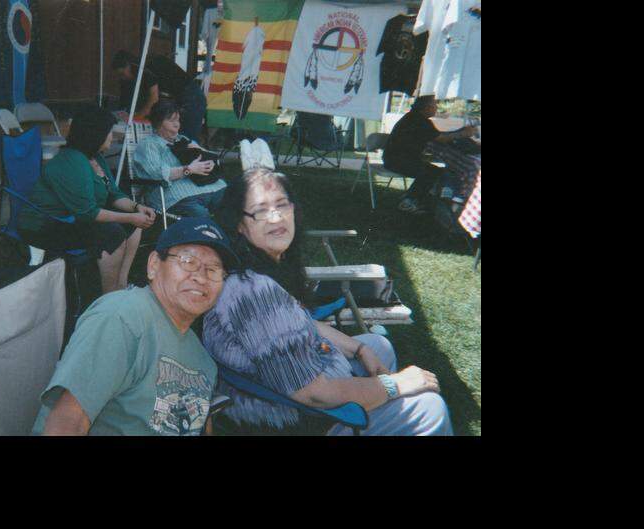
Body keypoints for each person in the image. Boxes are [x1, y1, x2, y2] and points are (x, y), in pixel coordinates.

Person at [203, 167, 453, 436]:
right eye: (261, 210)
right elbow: (314, 395)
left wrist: (359, 350)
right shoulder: (253, 291)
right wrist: (394, 385)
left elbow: (300, 322)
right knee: (429, 408)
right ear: (240, 225)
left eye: (281, 205)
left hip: (298, 389)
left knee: (377, 346)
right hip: (294, 419)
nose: (276, 218)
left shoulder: (260, 270)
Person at [32, 217, 240, 436]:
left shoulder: (202, 359)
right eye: (188, 261)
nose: (200, 277)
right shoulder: (122, 317)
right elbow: (66, 422)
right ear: (154, 266)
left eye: (213, 270)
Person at [20, 105, 158, 294]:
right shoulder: (73, 161)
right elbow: (88, 213)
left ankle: (121, 285)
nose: (112, 137)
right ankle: (109, 297)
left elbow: (113, 194)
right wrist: (131, 217)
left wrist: (136, 207)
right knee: (113, 234)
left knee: (133, 225)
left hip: (71, 218)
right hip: (44, 225)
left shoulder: (94, 157)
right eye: (109, 132)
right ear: (95, 134)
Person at [131, 100, 227, 220]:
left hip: (206, 187)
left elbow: (209, 157)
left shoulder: (182, 139)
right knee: (200, 215)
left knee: (232, 201)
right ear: (158, 123)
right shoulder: (149, 144)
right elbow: (155, 173)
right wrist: (188, 170)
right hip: (174, 195)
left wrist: (206, 157)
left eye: (177, 120)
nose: (177, 124)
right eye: (171, 120)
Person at [383, 94, 477, 213]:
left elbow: (439, 135)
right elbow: (441, 138)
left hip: (397, 158)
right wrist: (463, 134)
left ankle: (415, 198)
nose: (436, 108)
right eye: (434, 105)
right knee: (430, 173)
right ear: (426, 107)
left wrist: (461, 131)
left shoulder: (414, 117)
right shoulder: (419, 121)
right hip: (396, 161)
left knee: (434, 171)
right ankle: (409, 201)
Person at [113, 50, 207, 143]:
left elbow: (153, 100)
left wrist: (134, 119)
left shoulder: (145, 68)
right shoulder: (145, 65)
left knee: (186, 140)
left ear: (129, 65)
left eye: (122, 74)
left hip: (192, 98)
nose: (123, 78)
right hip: (185, 97)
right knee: (179, 138)